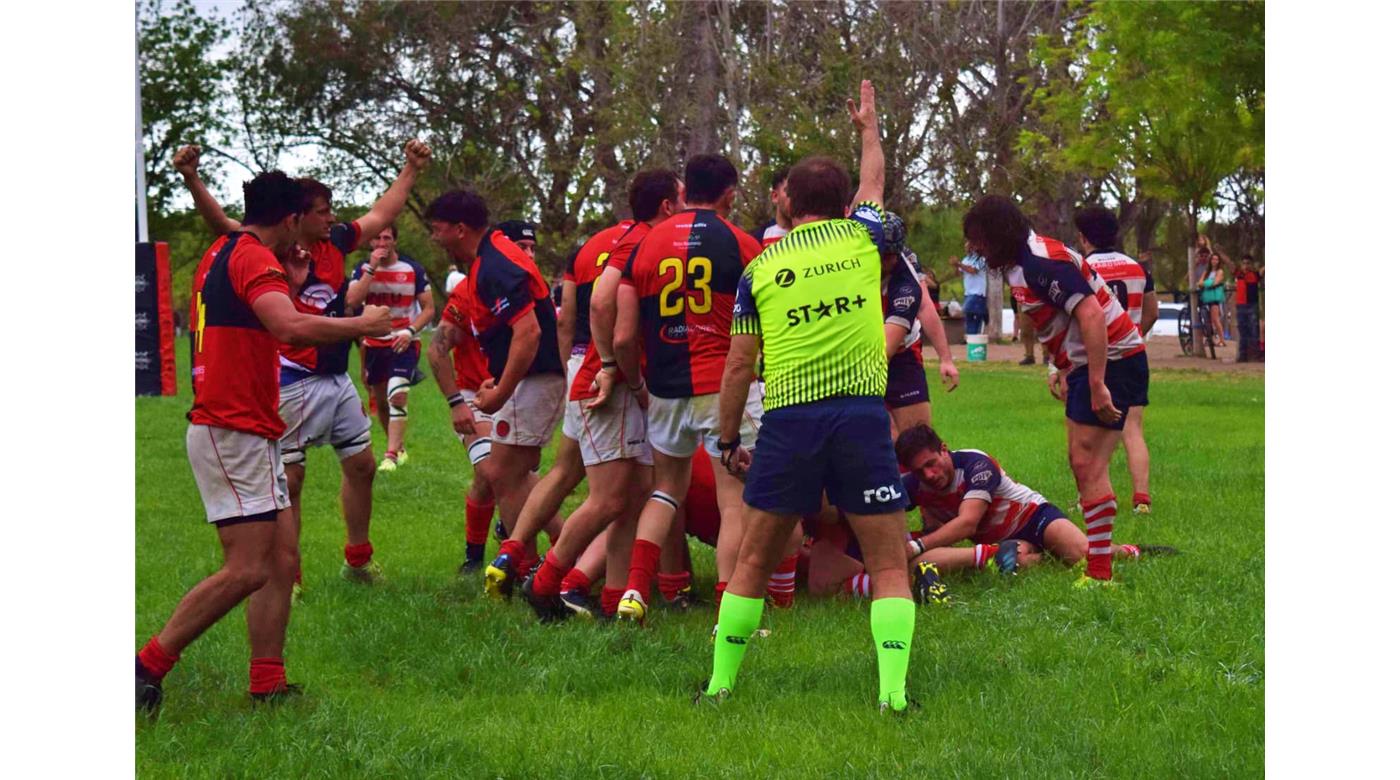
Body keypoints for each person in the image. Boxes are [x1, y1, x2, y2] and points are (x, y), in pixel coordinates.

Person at [136, 171, 392, 713]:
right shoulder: (252, 255)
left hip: (251, 426)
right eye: (310, 218)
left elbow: (267, 318)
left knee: (279, 559)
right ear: (291, 218)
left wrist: (295, 287)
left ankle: (267, 681)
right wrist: (361, 324)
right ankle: (145, 667)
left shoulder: (228, 248)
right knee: (249, 566)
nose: (316, 231)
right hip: (231, 427)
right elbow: (290, 329)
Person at [700, 80, 916, 713]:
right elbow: (874, 184)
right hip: (860, 418)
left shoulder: (758, 270)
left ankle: (718, 689)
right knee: (889, 564)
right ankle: (894, 699)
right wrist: (869, 129)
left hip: (790, 422)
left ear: (787, 201)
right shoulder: (864, 237)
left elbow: (739, 364)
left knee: (752, 563)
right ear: (843, 201)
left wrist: (730, 436)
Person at [173, 140, 430, 583]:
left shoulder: (336, 244)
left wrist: (411, 168)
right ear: (296, 217)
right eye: (323, 210)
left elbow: (381, 214)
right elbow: (227, 226)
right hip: (291, 377)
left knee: (363, 465)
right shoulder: (265, 248)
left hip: (334, 374)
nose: (332, 218)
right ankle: (286, 577)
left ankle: (358, 559)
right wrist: (193, 180)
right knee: (289, 481)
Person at [518, 171, 691, 621]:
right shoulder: (641, 240)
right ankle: (542, 584)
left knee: (633, 499)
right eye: (683, 196)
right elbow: (598, 304)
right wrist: (614, 368)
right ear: (668, 206)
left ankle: (615, 601)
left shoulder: (630, 237)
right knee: (610, 499)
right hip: (606, 386)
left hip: (623, 381)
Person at [609, 154, 764, 624]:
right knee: (733, 499)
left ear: (684, 192)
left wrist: (636, 381)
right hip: (724, 384)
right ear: (729, 194)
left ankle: (634, 590)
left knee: (666, 490)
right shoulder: (741, 243)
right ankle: (726, 609)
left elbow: (621, 335)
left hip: (665, 386)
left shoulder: (648, 241)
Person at [963, 195, 1146, 584]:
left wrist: (1097, 383)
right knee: (1082, 464)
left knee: (1088, 464)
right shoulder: (1019, 265)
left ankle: (1099, 574)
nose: (973, 248)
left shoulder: (1039, 262)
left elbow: (1091, 313)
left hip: (1112, 361)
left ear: (997, 233)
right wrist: (1062, 368)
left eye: (977, 239)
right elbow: (1059, 322)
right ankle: (1099, 565)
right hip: (1090, 365)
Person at [424, 190, 567, 577]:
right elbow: (441, 347)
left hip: (535, 380)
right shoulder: (483, 266)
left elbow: (529, 332)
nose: (434, 240)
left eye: (436, 230)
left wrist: (501, 389)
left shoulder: (495, 265)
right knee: (510, 474)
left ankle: (549, 565)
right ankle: (542, 565)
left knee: (503, 473)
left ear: (459, 229)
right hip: (524, 380)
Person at [894, 424, 1172, 582]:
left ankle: (1131, 550)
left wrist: (917, 545)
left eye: (931, 464)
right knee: (1009, 565)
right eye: (919, 471)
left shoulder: (976, 464)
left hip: (1034, 519)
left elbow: (968, 523)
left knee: (1082, 555)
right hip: (1003, 541)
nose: (929, 475)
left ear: (944, 448)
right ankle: (1047, 557)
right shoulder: (915, 485)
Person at [1075, 206, 1158, 514]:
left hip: (1093, 360)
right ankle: (1141, 499)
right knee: (1132, 429)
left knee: (1090, 435)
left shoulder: (1080, 267)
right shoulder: (1138, 268)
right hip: (1132, 357)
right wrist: (1133, 336)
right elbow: (1152, 312)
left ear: (1083, 237)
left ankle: (1094, 498)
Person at [345, 225, 436, 472]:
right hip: (374, 343)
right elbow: (352, 302)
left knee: (397, 394)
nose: (382, 242)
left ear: (395, 241)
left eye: (387, 237)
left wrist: (410, 331)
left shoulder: (412, 269)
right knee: (382, 401)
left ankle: (391, 455)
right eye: (377, 238)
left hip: (403, 341)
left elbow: (429, 308)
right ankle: (398, 446)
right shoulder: (363, 269)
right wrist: (371, 268)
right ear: (370, 242)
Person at [425, 277, 498, 574]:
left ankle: (518, 551)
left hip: (517, 393)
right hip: (473, 394)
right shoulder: (468, 290)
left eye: (530, 248)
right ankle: (476, 557)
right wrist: (457, 402)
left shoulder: (528, 286)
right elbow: (436, 349)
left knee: (517, 478)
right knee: (490, 470)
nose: (527, 254)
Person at [879, 212, 957, 433]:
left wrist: (946, 359)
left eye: (895, 253)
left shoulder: (906, 265)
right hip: (857, 356)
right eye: (885, 255)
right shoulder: (848, 263)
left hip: (902, 352)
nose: (891, 260)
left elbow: (925, 307)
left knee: (917, 439)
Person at [748, 166, 791, 249]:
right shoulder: (758, 238)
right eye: (789, 191)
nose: (796, 197)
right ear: (775, 196)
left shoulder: (813, 234)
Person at [951, 242, 989, 335]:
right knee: (969, 317)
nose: (967, 249)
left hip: (978, 292)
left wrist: (959, 264)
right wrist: (956, 266)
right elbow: (958, 274)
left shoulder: (981, 259)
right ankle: (971, 337)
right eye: (966, 247)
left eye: (969, 247)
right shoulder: (965, 260)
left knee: (967, 310)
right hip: (968, 292)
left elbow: (973, 270)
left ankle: (983, 314)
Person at [1234, 254, 1263, 362]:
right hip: (1241, 305)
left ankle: (1255, 354)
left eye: (1248, 264)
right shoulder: (1239, 275)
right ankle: (1243, 355)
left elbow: (1262, 270)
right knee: (1242, 331)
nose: (1246, 266)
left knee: (1253, 331)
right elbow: (1230, 264)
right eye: (1244, 263)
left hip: (1252, 305)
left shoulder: (1255, 275)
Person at [1198, 251, 1228, 347]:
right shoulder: (1207, 272)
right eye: (1213, 259)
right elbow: (1200, 282)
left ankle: (1222, 339)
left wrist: (1206, 283)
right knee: (1209, 319)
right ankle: (1210, 338)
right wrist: (1208, 283)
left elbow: (1215, 282)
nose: (1214, 261)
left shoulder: (1220, 272)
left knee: (1216, 319)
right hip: (1207, 296)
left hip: (1215, 297)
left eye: (1216, 259)